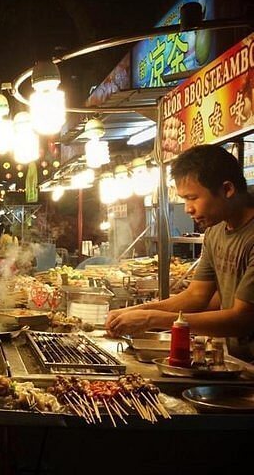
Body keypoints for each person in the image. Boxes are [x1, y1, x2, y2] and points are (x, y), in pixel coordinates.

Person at [106, 145, 254, 360]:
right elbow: (196, 296)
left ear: (227, 189)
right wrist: (137, 311)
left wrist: (151, 319)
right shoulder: (215, 232)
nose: (187, 208)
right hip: (240, 362)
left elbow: (242, 319)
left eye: (192, 198)